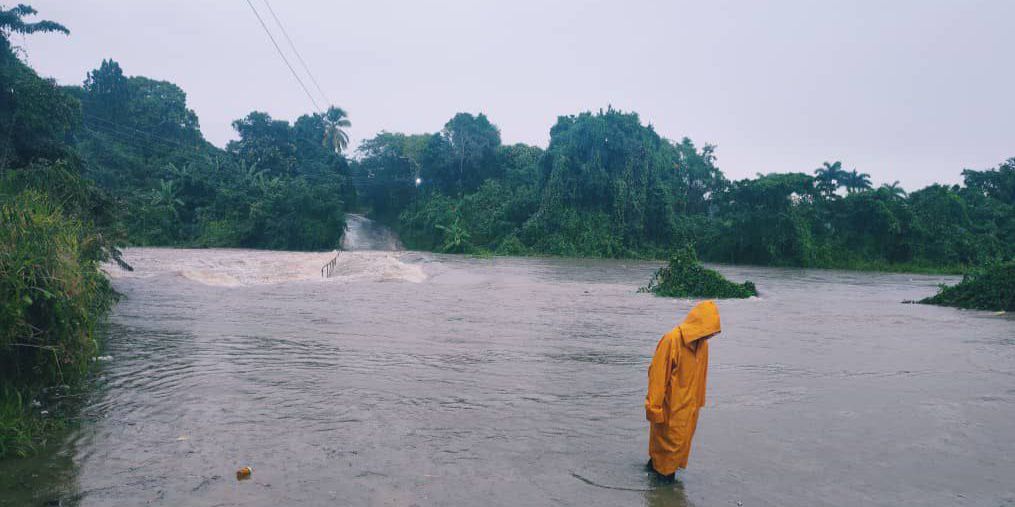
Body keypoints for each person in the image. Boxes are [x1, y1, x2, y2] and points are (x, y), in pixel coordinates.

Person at [645, 300, 721, 479]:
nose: (709, 337)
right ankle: (663, 495)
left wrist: (699, 403)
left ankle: (653, 483)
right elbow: (657, 376)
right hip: (670, 409)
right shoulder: (671, 340)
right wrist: (654, 409)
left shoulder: (702, 345)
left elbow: (702, 375)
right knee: (666, 456)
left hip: (688, 409)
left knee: (674, 451)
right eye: (707, 332)